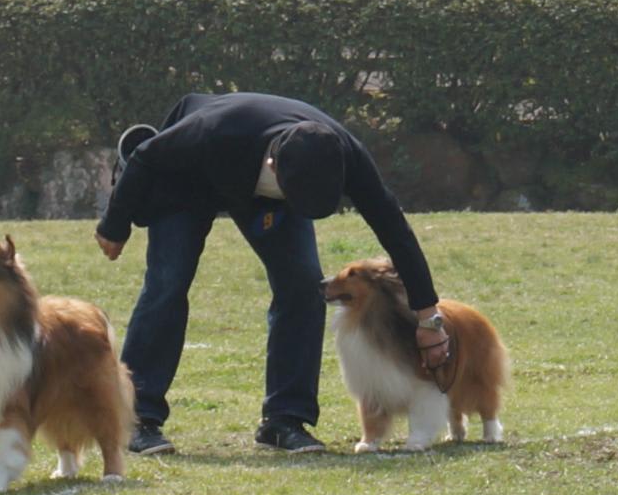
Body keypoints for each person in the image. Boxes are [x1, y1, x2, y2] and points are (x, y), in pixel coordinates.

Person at [95, 92, 450, 456]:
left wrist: (428, 318)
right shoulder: (215, 130)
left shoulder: (344, 155)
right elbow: (145, 156)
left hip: (273, 198)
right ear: (274, 166)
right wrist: (115, 224)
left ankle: (285, 419)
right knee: (167, 285)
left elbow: (396, 232)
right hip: (190, 179)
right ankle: (138, 419)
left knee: (303, 285)